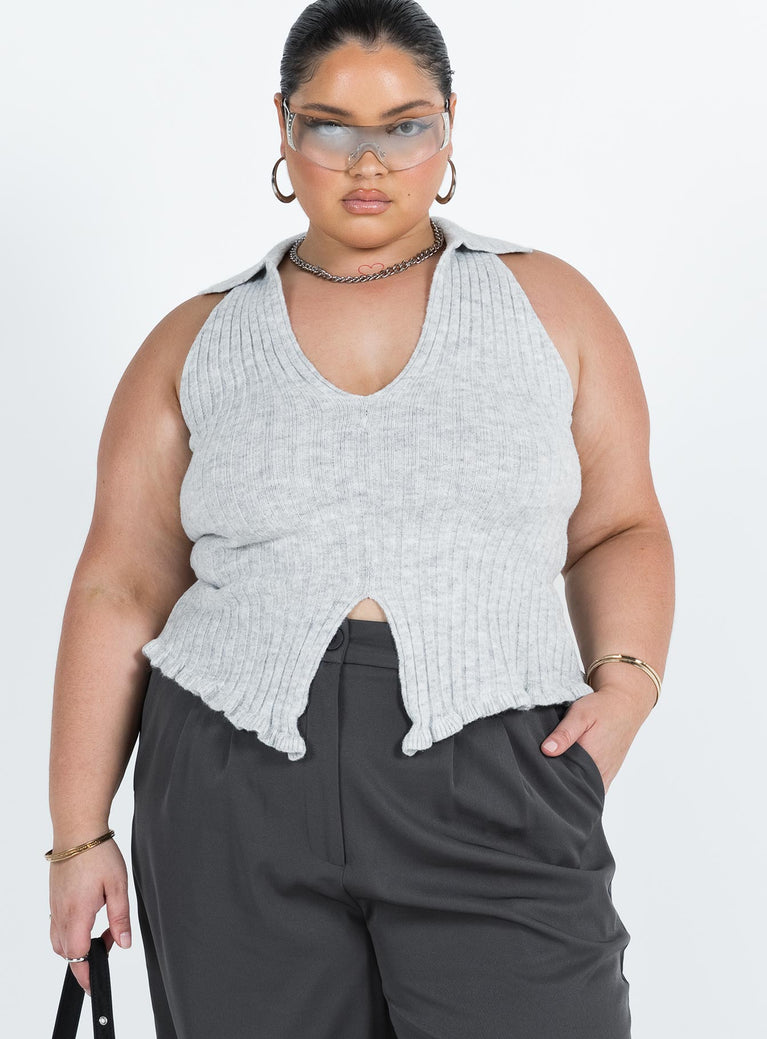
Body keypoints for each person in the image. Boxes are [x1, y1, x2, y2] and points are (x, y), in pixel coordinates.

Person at [46, 1, 675, 1036]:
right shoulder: (195, 338)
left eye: (404, 125)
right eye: (332, 127)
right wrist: (78, 836)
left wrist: (629, 684)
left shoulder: (550, 307)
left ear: (450, 124)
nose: (368, 162)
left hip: (497, 773)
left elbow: (619, 525)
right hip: (228, 789)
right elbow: (120, 582)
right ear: (284, 126)